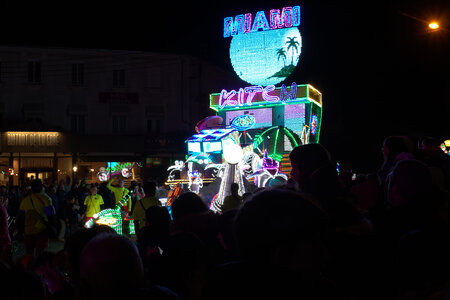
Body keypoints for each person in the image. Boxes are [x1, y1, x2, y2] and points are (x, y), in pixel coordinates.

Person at [19, 179, 55, 256]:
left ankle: (29, 267)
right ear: (42, 188)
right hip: (41, 230)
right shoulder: (46, 199)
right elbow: (50, 215)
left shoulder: (25, 200)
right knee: (39, 254)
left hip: (28, 231)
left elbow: (20, 216)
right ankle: (38, 267)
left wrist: (21, 231)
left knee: (29, 254)